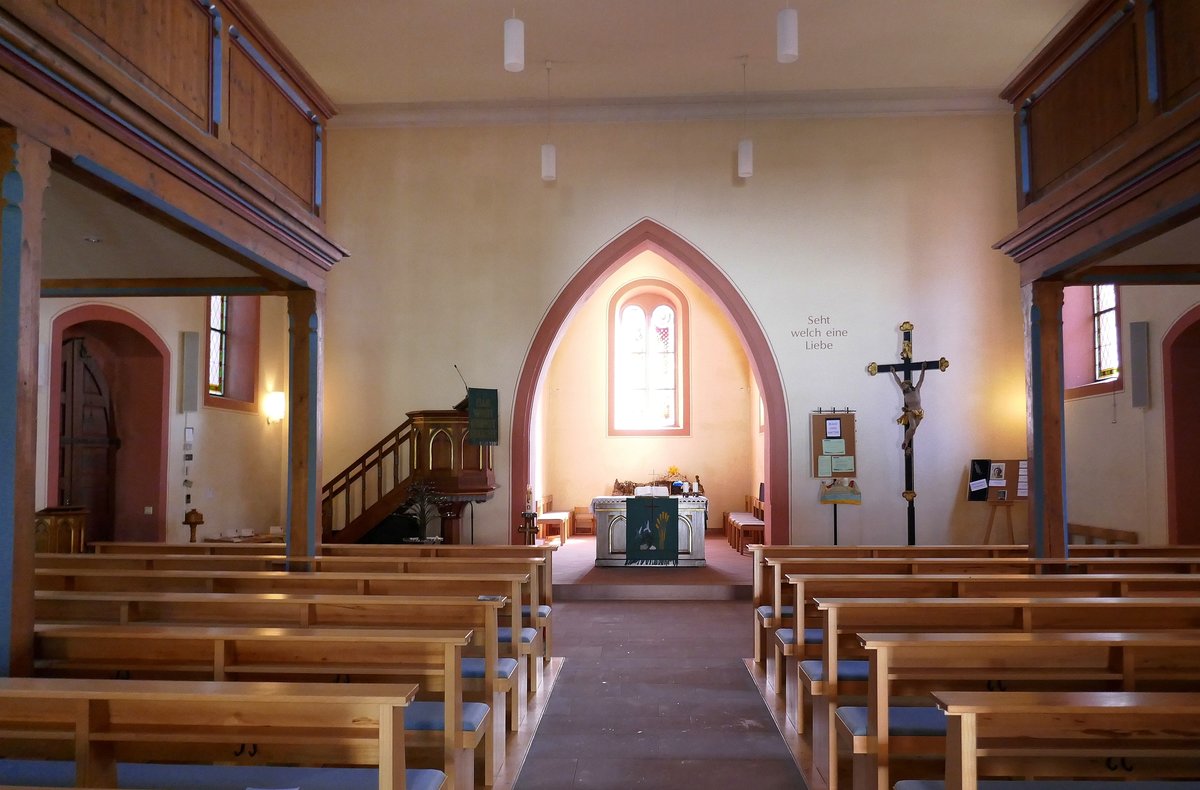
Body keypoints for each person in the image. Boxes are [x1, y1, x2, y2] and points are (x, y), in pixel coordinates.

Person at [891, 362, 927, 454]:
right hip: (910, 412)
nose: (903, 387)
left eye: (905, 386)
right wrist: (893, 373)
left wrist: (923, 369)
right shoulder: (904, 392)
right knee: (913, 426)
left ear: (909, 385)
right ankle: (906, 441)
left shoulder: (917, 389)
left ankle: (907, 443)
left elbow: (921, 379)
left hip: (919, 412)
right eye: (903, 387)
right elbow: (898, 381)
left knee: (914, 429)